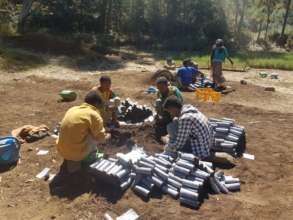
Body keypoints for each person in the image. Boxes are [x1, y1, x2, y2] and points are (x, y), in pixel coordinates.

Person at [56, 91, 111, 174]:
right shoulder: (94, 114)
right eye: (100, 105)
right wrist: (108, 136)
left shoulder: (73, 109)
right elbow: (101, 138)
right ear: (96, 103)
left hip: (61, 149)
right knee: (94, 135)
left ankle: (72, 158)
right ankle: (90, 157)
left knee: (82, 130)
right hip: (75, 154)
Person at [163, 96, 213, 160]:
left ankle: (172, 147)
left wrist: (168, 144)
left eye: (170, 111)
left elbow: (179, 144)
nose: (170, 114)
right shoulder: (190, 109)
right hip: (207, 145)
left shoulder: (185, 119)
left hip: (199, 151)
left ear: (173, 108)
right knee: (175, 121)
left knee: (171, 127)